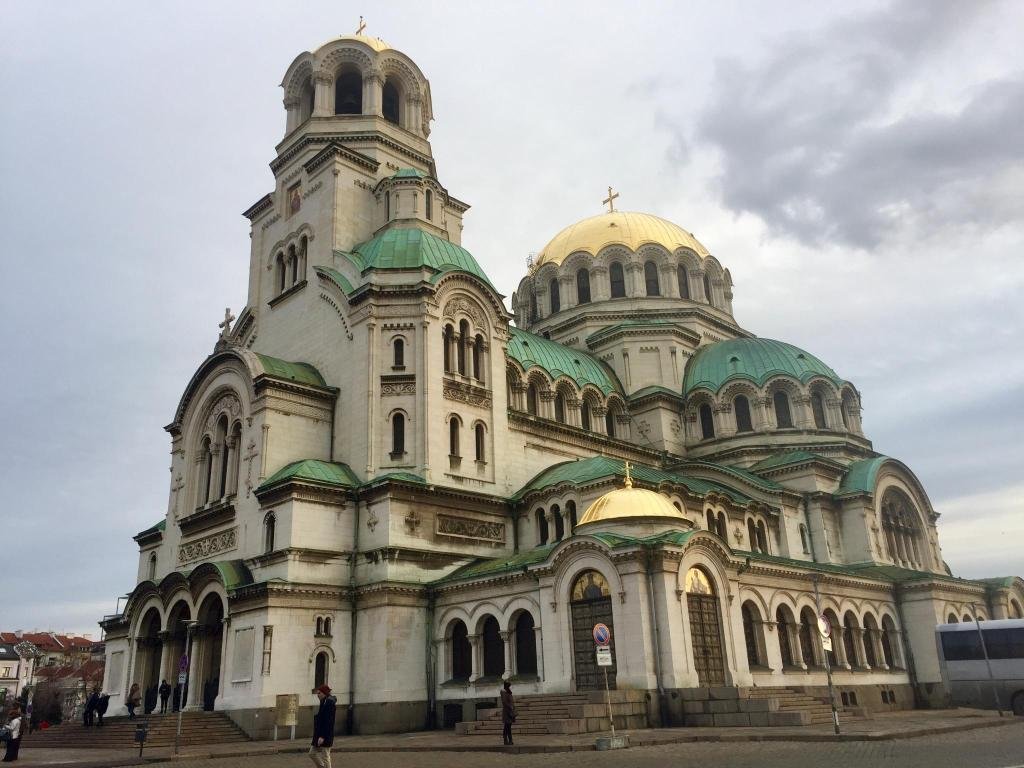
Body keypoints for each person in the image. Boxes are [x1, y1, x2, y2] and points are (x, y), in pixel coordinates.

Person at [309, 684, 336, 768]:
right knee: (312, 753)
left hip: (325, 735)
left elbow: (328, 722)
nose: (317, 695)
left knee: (325, 756)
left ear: (324, 693)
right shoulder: (323, 701)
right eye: (317, 693)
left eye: (319, 693)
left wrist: (322, 736)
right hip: (319, 734)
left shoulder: (329, 703)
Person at [500, 679, 516, 746]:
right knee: (507, 726)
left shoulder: (508, 692)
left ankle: (509, 740)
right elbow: (504, 702)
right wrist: (510, 706)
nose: (509, 686)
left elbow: (511, 700)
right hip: (507, 712)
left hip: (510, 711)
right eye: (508, 685)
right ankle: (507, 739)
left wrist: (513, 707)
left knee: (508, 726)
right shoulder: (503, 692)